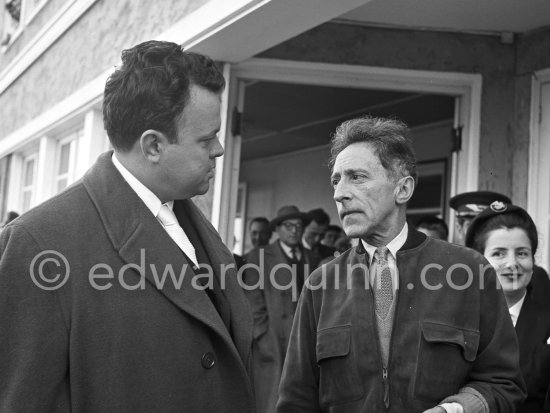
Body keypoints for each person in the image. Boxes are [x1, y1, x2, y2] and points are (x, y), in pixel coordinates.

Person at [0, 41, 255, 412]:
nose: (219, 149)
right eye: (206, 138)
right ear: (153, 146)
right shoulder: (36, 244)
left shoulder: (186, 216)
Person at [277, 116, 526, 412]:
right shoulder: (320, 284)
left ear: (403, 189)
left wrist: (454, 410)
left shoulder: (471, 271)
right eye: (336, 179)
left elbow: (503, 384)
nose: (339, 193)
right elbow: (296, 401)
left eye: (357, 177)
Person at [465, 201, 550, 413]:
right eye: (498, 254)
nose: (512, 264)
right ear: (479, 261)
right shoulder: (459, 318)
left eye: (522, 253)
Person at [243, 205, 313, 413]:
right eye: (288, 226)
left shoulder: (310, 256)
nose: (294, 230)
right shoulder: (260, 256)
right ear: (278, 229)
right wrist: (262, 335)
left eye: (298, 226)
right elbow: (252, 299)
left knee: (300, 396)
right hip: (273, 340)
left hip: (303, 338)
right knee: (270, 399)